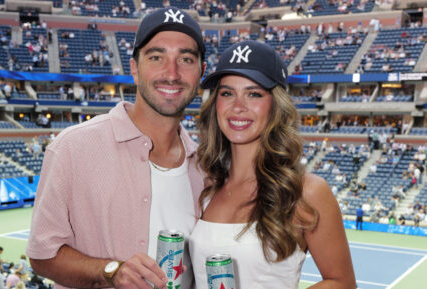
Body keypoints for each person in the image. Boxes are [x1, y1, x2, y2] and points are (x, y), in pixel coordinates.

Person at [26, 7, 206, 289]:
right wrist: (109, 270)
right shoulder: (72, 148)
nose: (172, 74)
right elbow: (42, 256)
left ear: (201, 72)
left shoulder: (205, 166)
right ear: (134, 68)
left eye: (185, 59)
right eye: (156, 57)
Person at [189, 40, 355, 289]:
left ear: (276, 105)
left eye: (253, 94)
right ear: (215, 104)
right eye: (227, 93)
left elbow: (342, 283)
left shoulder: (306, 191)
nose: (238, 107)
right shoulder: (206, 186)